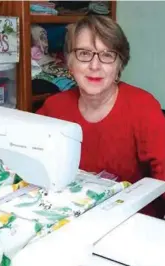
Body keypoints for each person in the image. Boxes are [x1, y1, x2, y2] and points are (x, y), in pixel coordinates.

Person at [36, 15, 165, 217]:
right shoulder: (53, 107)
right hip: (70, 215)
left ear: (119, 65)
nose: (95, 66)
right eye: (84, 53)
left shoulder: (143, 107)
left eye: (107, 55)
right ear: (69, 62)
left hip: (132, 220)